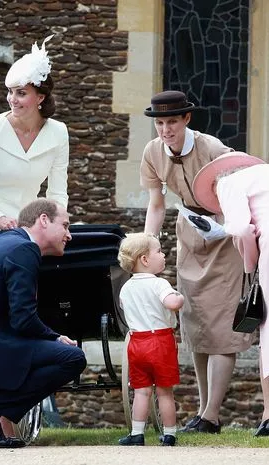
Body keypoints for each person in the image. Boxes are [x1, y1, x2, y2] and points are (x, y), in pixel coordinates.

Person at [140, 90, 254, 433]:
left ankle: (211, 414)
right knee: (197, 325)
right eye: (160, 123)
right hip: (190, 234)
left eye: (172, 121)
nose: (165, 129)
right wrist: (148, 242)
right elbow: (156, 204)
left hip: (225, 237)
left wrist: (230, 227)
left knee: (222, 326)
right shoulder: (151, 152)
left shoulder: (213, 149)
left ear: (187, 119)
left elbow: (243, 190)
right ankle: (205, 413)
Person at [0, 198, 87, 448]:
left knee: (27, 355)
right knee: (72, 357)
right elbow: (23, 318)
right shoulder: (24, 249)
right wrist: (54, 337)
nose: (69, 235)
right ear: (43, 220)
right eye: (65, 225)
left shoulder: (1, 243)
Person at [0, 35, 69, 270]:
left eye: (21, 93)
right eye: (10, 92)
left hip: (26, 232)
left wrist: (56, 226)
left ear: (40, 97)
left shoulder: (59, 133)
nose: (12, 99)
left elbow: (58, 193)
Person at [192, 151, 269, 437]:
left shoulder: (227, 184)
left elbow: (239, 228)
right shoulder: (262, 177)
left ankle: (268, 415)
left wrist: (251, 263)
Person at [117, 232, 184, 446]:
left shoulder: (126, 288)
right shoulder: (159, 284)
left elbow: (124, 309)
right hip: (160, 341)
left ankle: (137, 433)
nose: (164, 255)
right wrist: (180, 296)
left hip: (136, 343)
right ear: (144, 259)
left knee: (141, 391)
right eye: (159, 251)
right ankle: (170, 433)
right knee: (164, 391)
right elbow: (172, 304)